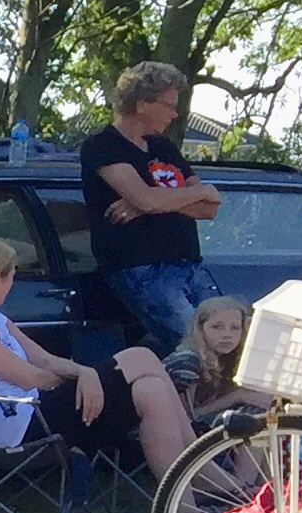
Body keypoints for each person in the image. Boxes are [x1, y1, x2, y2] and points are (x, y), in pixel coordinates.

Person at [0, 237, 193, 475]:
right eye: (12, 276)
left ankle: (188, 500)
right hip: (10, 428)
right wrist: (80, 379)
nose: (12, 284)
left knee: (151, 388)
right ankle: (201, 456)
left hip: (35, 410)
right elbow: (30, 378)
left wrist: (84, 372)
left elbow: (45, 360)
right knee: (142, 357)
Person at [78, 60, 222, 353]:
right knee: (200, 350)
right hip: (144, 270)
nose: (175, 114)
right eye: (169, 105)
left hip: (190, 264)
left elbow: (209, 207)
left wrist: (150, 205)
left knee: (229, 346)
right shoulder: (103, 146)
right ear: (142, 104)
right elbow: (148, 197)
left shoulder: (163, 147)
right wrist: (183, 194)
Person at [166, 294, 258, 424]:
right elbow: (184, 419)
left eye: (235, 328)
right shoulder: (186, 361)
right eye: (216, 327)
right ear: (200, 329)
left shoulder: (232, 361)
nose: (227, 334)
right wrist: (236, 397)